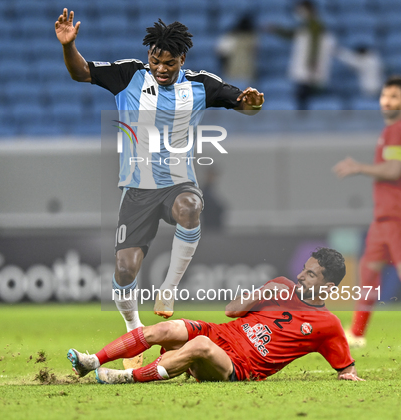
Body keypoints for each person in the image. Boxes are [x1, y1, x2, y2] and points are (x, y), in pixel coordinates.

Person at [55, 9, 264, 369]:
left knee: (190, 207)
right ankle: (134, 330)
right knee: (125, 268)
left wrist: (252, 104)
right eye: (156, 61)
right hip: (137, 188)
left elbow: (243, 104)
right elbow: (81, 72)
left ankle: (169, 287)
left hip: (178, 182)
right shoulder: (128, 75)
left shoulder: (201, 84)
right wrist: (69, 46)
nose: (161, 68)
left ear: (182, 59)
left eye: (169, 62)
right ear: (149, 56)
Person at [67, 248, 363, 383]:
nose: (300, 276)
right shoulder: (283, 287)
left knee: (199, 347)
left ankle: (125, 377)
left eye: (310, 275)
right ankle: (92, 362)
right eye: (303, 269)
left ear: (328, 286)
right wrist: (264, 291)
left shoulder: (329, 325)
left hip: (239, 366)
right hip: (223, 333)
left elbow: (345, 368)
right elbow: (231, 311)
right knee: (167, 329)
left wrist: (349, 377)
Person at [333, 76, 401, 348]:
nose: (387, 101)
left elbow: (395, 169)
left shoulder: (397, 130)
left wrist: (360, 168)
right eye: (385, 96)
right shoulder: (389, 131)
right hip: (383, 218)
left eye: (394, 97)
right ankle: (357, 333)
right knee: (369, 272)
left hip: (397, 216)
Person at [267, 0, 336, 110]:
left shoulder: (315, 26)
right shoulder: (306, 26)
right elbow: (293, 34)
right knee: (303, 94)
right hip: (306, 68)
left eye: (300, 11)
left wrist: (312, 61)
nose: (298, 13)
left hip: (310, 67)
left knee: (308, 95)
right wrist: (276, 30)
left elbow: (315, 43)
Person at [216, 15, 258, 85]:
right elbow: (221, 56)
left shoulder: (253, 39)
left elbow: (221, 55)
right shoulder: (230, 38)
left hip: (246, 76)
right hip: (232, 76)